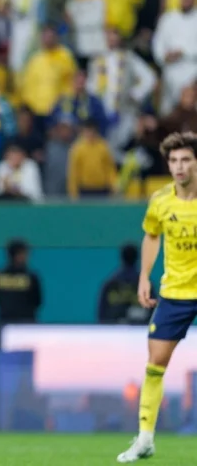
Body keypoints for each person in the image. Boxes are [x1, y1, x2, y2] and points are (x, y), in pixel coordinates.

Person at [117, 131, 197, 463]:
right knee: (154, 366)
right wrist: (143, 277)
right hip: (175, 293)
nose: (179, 167)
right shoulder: (160, 200)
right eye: (174, 161)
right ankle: (146, 439)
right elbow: (151, 236)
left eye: (186, 160)